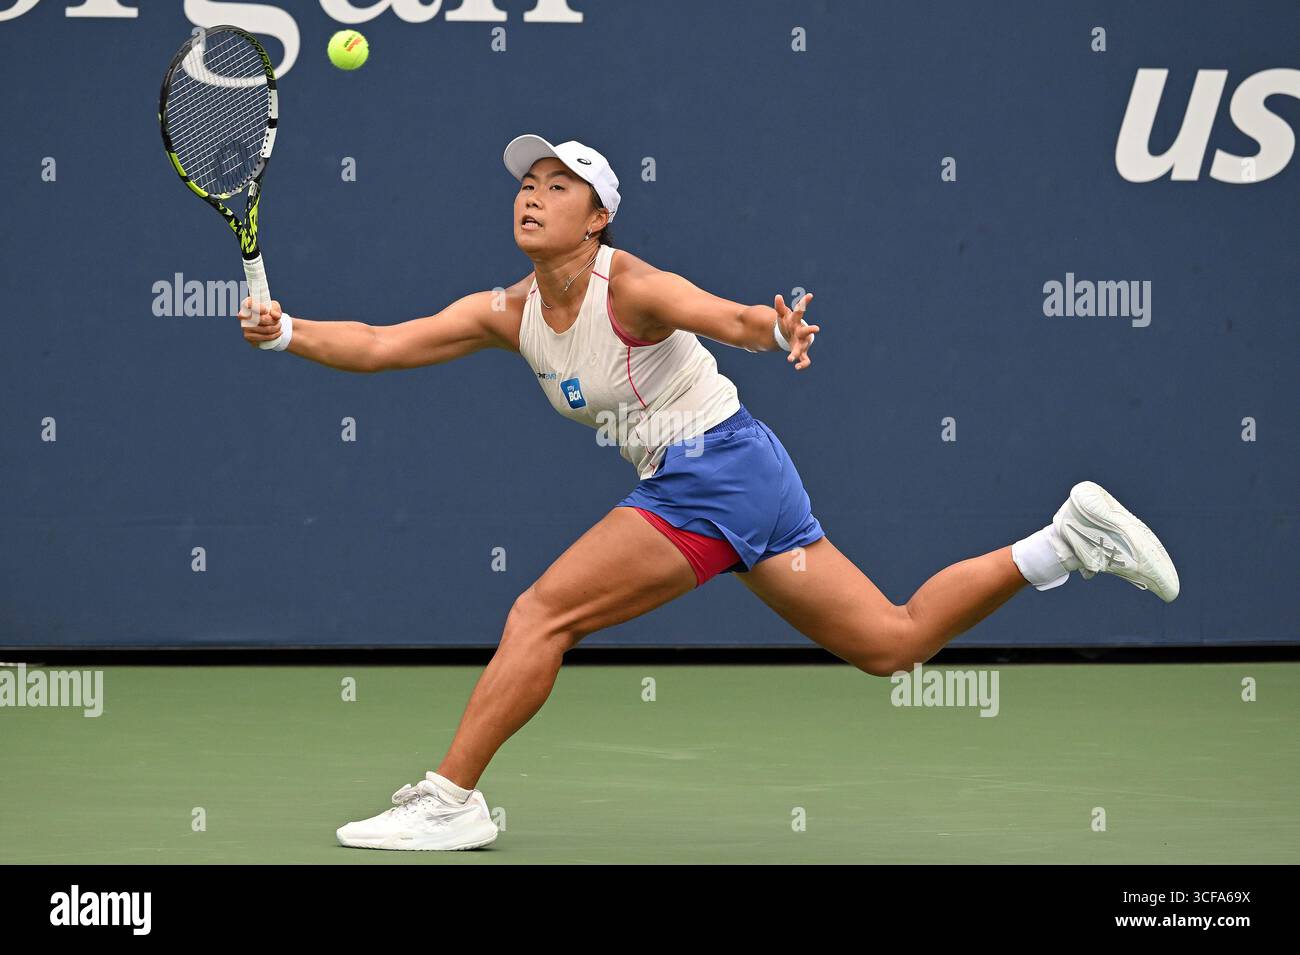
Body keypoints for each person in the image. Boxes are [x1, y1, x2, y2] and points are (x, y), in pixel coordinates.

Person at [236, 135, 1180, 851]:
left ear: (598, 215)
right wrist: (288, 332)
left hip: (715, 472)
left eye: (558, 186)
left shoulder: (631, 285)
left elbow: (723, 315)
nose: (532, 195)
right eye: (527, 183)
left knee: (540, 612)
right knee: (891, 643)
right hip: (743, 476)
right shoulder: (510, 311)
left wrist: (773, 331)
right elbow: (378, 343)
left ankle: (453, 799)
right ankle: (1063, 541)